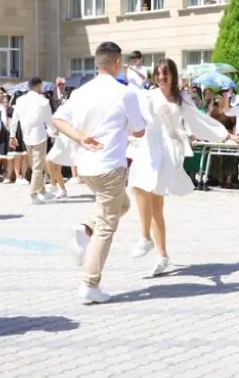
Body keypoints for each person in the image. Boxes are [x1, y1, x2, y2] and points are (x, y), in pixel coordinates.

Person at [52, 42, 146, 303]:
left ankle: (85, 229)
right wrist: (132, 129)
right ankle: (90, 284)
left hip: (87, 167)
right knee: (107, 225)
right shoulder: (124, 92)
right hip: (109, 167)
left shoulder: (81, 92)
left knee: (121, 205)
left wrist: (80, 138)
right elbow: (139, 129)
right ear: (117, 63)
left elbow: (57, 120)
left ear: (97, 63)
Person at [127, 58, 227, 274]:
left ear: (172, 76)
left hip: (169, 149)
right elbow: (138, 118)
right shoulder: (148, 95)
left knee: (143, 187)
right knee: (151, 203)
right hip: (149, 147)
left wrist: (224, 134)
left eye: (166, 74)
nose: (162, 78)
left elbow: (200, 120)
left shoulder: (181, 98)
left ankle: (145, 237)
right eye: (159, 74)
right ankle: (162, 255)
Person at [12, 77, 54, 204]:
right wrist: (53, 133)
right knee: (37, 167)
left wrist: (12, 136)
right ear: (37, 86)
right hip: (39, 136)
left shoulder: (20, 100)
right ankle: (33, 194)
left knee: (34, 165)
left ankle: (42, 191)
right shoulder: (43, 101)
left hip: (26, 136)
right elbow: (49, 121)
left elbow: (14, 120)